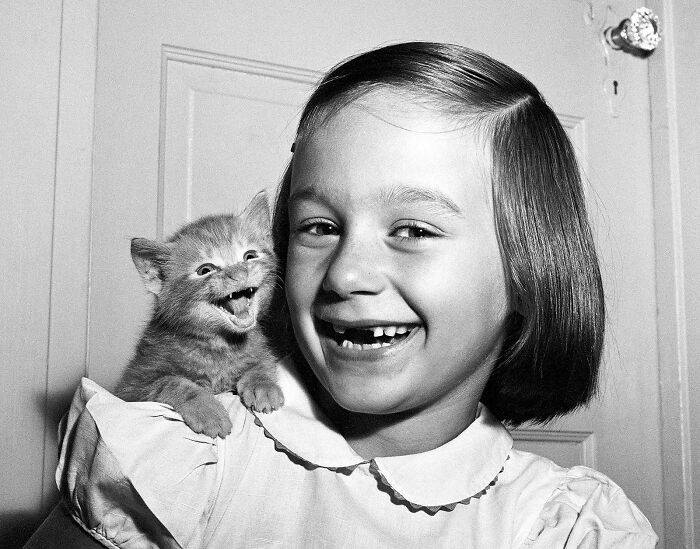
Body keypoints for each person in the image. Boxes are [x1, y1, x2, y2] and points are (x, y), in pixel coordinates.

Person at [29, 42, 657, 548]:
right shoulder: (182, 464)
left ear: (531, 270)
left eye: (413, 230)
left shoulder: (562, 526)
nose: (345, 274)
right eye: (320, 228)